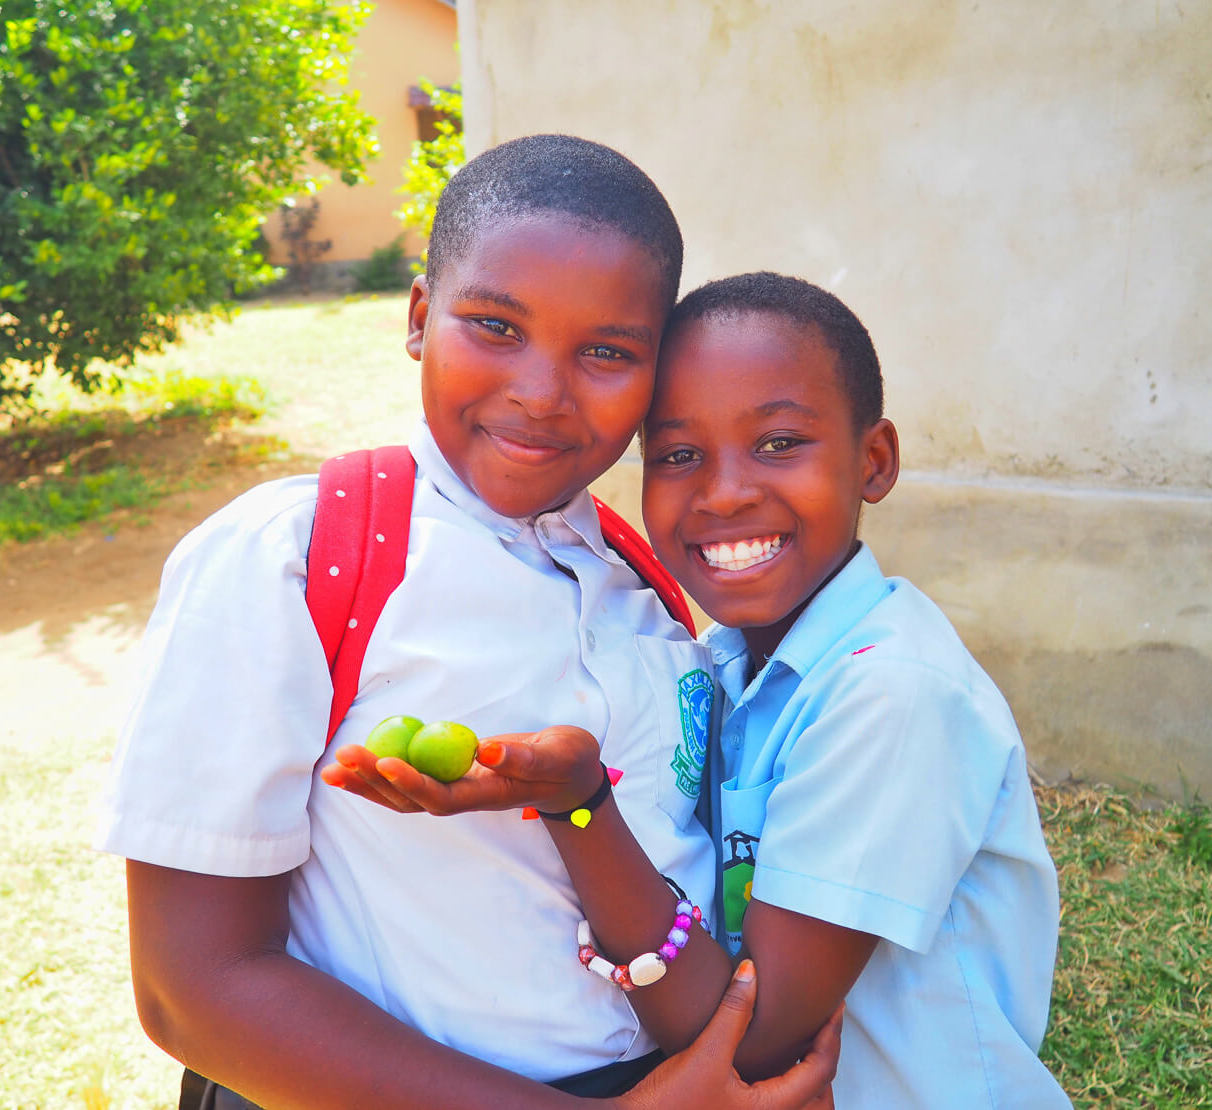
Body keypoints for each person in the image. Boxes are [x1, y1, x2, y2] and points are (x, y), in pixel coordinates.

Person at [96, 139, 840, 1110]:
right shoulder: (294, 555)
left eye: (607, 352)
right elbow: (190, 989)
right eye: (494, 326)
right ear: (418, 319)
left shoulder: (636, 573)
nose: (540, 390)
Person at [332, 271, 1071, 1107]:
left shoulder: (893, 694)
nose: (724, 493)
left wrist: (580, 804)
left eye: (780, 443)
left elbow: (749, 1041)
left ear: (874, 460)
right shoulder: (715, 667)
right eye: (679, 455)